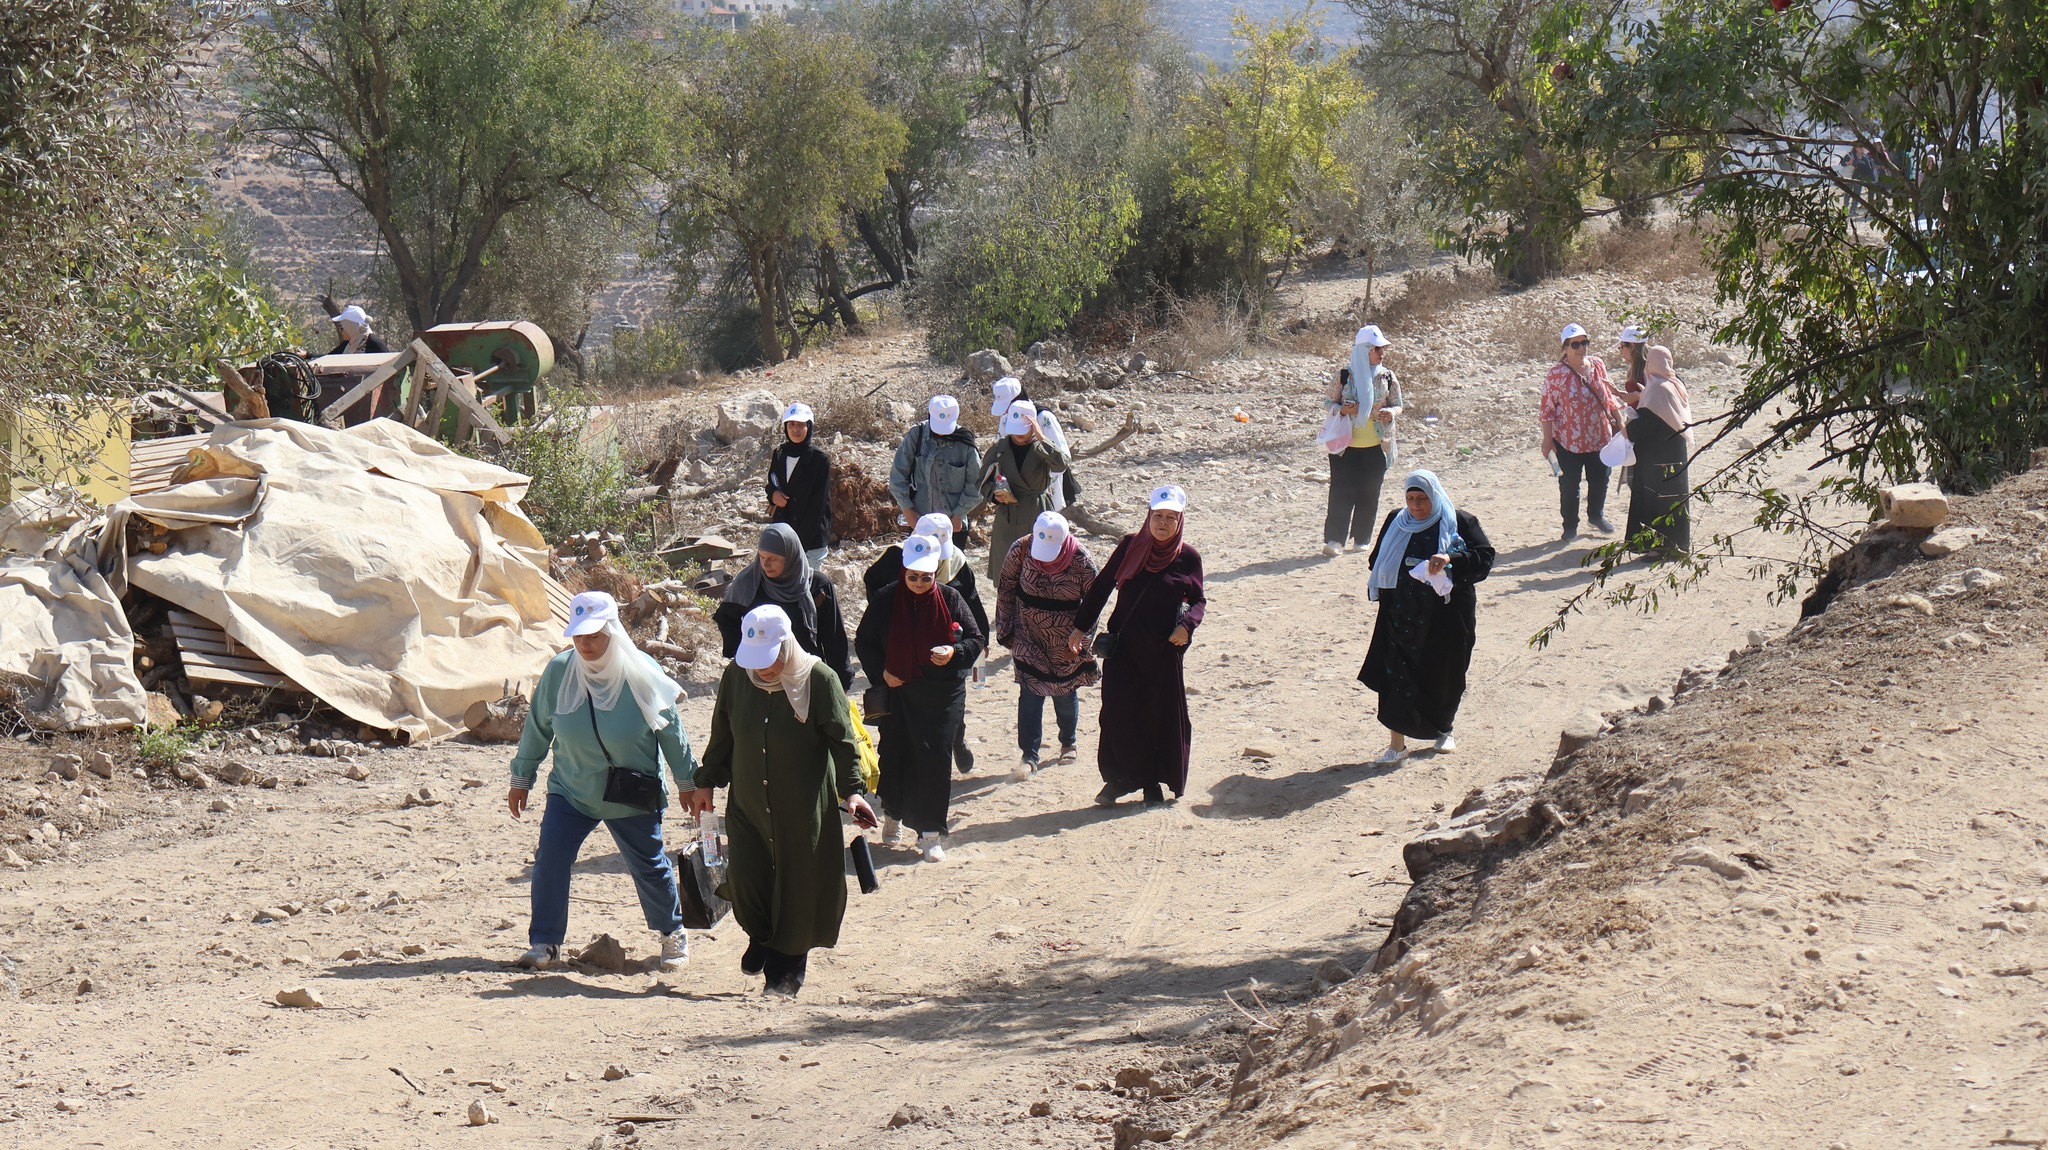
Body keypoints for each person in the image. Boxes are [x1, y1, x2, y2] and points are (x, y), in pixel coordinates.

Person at [687, 605, 875, 997]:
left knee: (798, 886)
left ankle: (785, 972)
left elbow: (843, 743)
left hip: (802, 807)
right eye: (756, 662)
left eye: (770, 661)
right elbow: (723, 734)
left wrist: (853, 791)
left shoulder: (819, 680)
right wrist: (706, 783)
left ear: (786, 645)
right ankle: (761, 934)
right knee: (747, 878)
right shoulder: (737, 677)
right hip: (749, 802)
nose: (764, 671)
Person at [506, 591, 697, 971]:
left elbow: (671, 732)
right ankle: (545, 942)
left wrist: (687, 781)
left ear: (612, 630)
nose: (585, 644)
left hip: (630, 791)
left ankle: (671, 932)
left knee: (649, 864)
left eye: (594, 634)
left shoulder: (640, 671)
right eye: (578, 636)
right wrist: (522, 777)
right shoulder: (560, 672)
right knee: (551, 860)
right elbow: (538, 727)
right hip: (572, 788)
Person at [1069, 485, 1206, 808]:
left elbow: (1198, 600)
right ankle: (1118, 780)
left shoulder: (1188, 557)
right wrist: (1080, 627)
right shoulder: (1131, 545)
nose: (1162, 523)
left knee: (1156, 715)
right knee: (1117, 714)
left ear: (1180, 521)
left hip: (1163, 650)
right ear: (1148, 517)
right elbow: (1102, 586)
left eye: (1170, 518)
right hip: (1125, 647)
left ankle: (1151, 785)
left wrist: (1187, 626)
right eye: (1158, 516)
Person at [854, 533, 986, 862]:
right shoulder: (885, 599)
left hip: (942, 695)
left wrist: (953, 652)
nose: (918, 583)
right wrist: (881, 673)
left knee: (935, 759)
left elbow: (975, 640)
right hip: (900, 693)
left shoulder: (952, 599)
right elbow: (864, 641)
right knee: (896, 755)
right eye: (912, 576)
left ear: (936, 572)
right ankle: (893, 816)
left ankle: (930, 833)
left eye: (926, 577)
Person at [1359, 471, 1495, 764]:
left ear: (1434, 497)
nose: (1417, 506)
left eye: (1422, 499)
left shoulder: (1459, 521)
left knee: (1444, 673)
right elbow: (1376, 559)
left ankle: (1443, 730)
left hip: (1445, 616)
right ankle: (1396, 745)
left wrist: (1449, 560)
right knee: (1395, 676)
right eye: (1411, 499)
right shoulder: (1397, 521)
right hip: (1400, 614)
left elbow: (1484, 559)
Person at [863, 512, 989, 774]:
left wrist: (980, 639)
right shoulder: (893, 559)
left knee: (952, 708)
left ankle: (956, 740)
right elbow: (873, 586)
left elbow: (971, 601)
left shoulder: (956, 562)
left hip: (949, 645)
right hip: (904, 653)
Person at [995, 511, 1099, 778]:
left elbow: (1093, 605)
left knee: (1064, 693)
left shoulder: (1082, 561)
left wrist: (1082, 638)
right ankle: (1029, 755)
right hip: (1027, 633)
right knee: (1030, 694)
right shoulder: (1021, 549)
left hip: (1066, 638)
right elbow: (1006, 588)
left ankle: (1068, 742)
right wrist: (1005, 628)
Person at [714, 524, 853, 688]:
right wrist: (747, 656)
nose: (765, 565)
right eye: (762, 557)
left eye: (773, 559)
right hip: (762, 679)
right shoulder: (750, 583)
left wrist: (841, 683)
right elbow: (726, 619)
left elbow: (834, 638)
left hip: (805, 676)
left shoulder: (816, 586)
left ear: (791, 557)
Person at [1539, 322, 1625, 540]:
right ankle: (1570, 525)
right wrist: (1547, 441)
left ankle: (1596, 515)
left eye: (1584, 342)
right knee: (1569, 486)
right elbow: (1547, 410)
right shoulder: (1556, 374)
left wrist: (1620, 424)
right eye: (1575, 344)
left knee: (1600, 479)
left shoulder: (1597, 365)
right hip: (1568, 442)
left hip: (1599, 437)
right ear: (1565, 347)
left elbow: (1608, 398)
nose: (1581, 348)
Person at [1324, 325, 1403, 557]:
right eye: (1377, 348)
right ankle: (1335, 540)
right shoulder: (1344, 375)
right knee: (1341, 492)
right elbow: (1328, 403)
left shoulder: (1386, 376)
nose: (1382, 353)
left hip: (1377, 445)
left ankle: (1362, 539)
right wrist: (1344, 410)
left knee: (1370, 492)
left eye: (1382, 349)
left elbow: (1398, 403)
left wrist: (1392, 413)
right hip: (1344, 447)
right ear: (1364, 350)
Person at [980, 400, 1073, 578]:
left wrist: (1042, 438)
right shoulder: (1000, 448)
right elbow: (982, 479)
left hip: (1037, 510)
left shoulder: (1041, 447)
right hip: (1007, 515)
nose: (1019, 436)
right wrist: (995, 495)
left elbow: (1062, 463)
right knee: (1007, 572)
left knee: (1037, 569)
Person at [1623, 345, 1693, 555]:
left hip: (1656, 459)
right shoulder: (1675, 384)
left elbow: (1644, 425)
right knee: (1674, 501)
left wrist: (1623, 426)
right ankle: (1677, 544)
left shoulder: (1656, 389)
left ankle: (1662, 547)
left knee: (1656, 501)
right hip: (1675, 456)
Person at [887, 395, 981, 534]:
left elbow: (976, 484)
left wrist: (959, 515)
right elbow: (897, 476)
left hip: (953, 523)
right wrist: (907, 510)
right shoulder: (917, 435)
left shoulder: (965, 442)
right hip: (920, 520)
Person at [765, 402, 832, 568]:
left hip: (810, 539)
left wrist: (798, 542)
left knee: (807, 586)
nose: (795, 429)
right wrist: (773, 495)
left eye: (801, 425)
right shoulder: (779, 454)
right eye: (792, 424)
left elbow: (818, 504)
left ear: (809, 427)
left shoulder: (819, 460)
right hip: (783, 531)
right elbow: (772, 481)